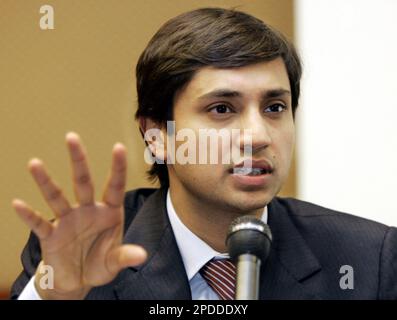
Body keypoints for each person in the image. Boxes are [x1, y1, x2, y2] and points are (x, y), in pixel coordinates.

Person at [11, 7, 397, 300]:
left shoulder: (366, 260)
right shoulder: (84, 254)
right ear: (157, 136)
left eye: (275, 108)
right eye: (222, 109)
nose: (257, 136)